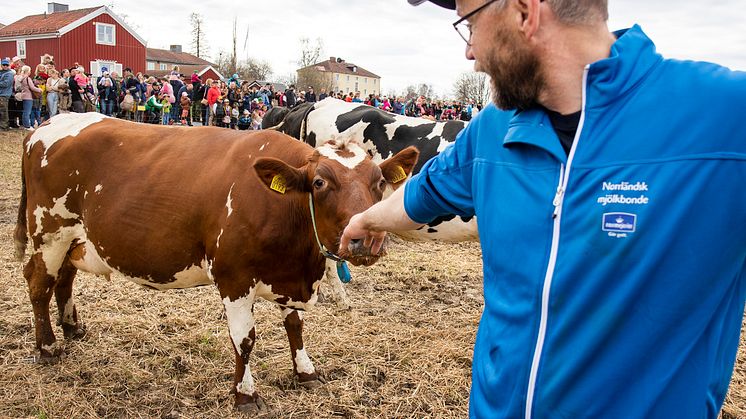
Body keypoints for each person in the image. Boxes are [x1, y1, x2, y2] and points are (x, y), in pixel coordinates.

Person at [340, 0, 746, 418]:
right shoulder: (493, 129)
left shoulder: (725, 117)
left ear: (523, 12)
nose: (469, 53)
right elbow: (424, 194)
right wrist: (365, 219)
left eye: (469, 24)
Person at [0, 57, 13, 130]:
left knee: (3, 111)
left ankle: (4, 126)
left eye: (6, 65)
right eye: (3, 65)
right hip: (1, 94)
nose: (5, 66)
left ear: (8, 66)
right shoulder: (1, 72)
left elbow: (6, 84)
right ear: (1, 65)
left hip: (4, 95)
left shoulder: (9, 74)